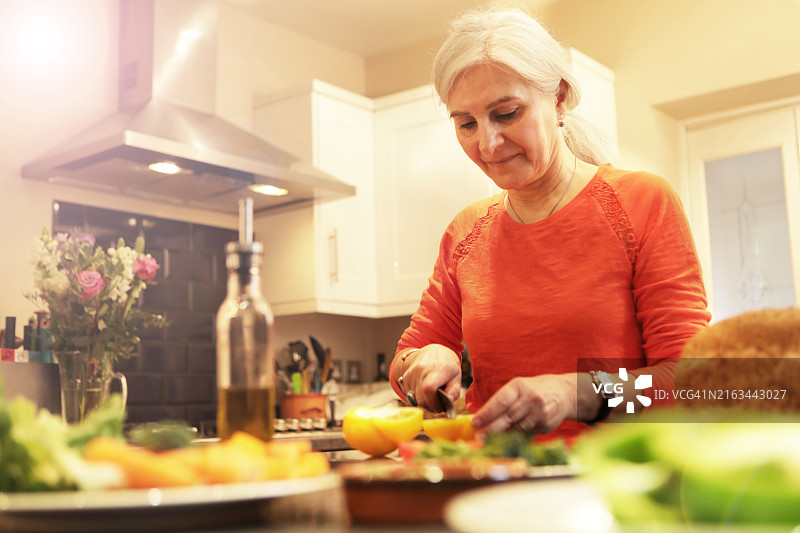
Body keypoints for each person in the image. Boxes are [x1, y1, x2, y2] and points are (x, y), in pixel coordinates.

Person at [389, 7, 710, 442]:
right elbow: (404, 360)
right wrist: (424, 361)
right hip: (493, 482)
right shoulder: (466, 233)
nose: (487, 143)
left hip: (611, 487)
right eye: (466, 123)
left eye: (506, 114)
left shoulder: (641, 203)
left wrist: (581, 394)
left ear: (558, 98)